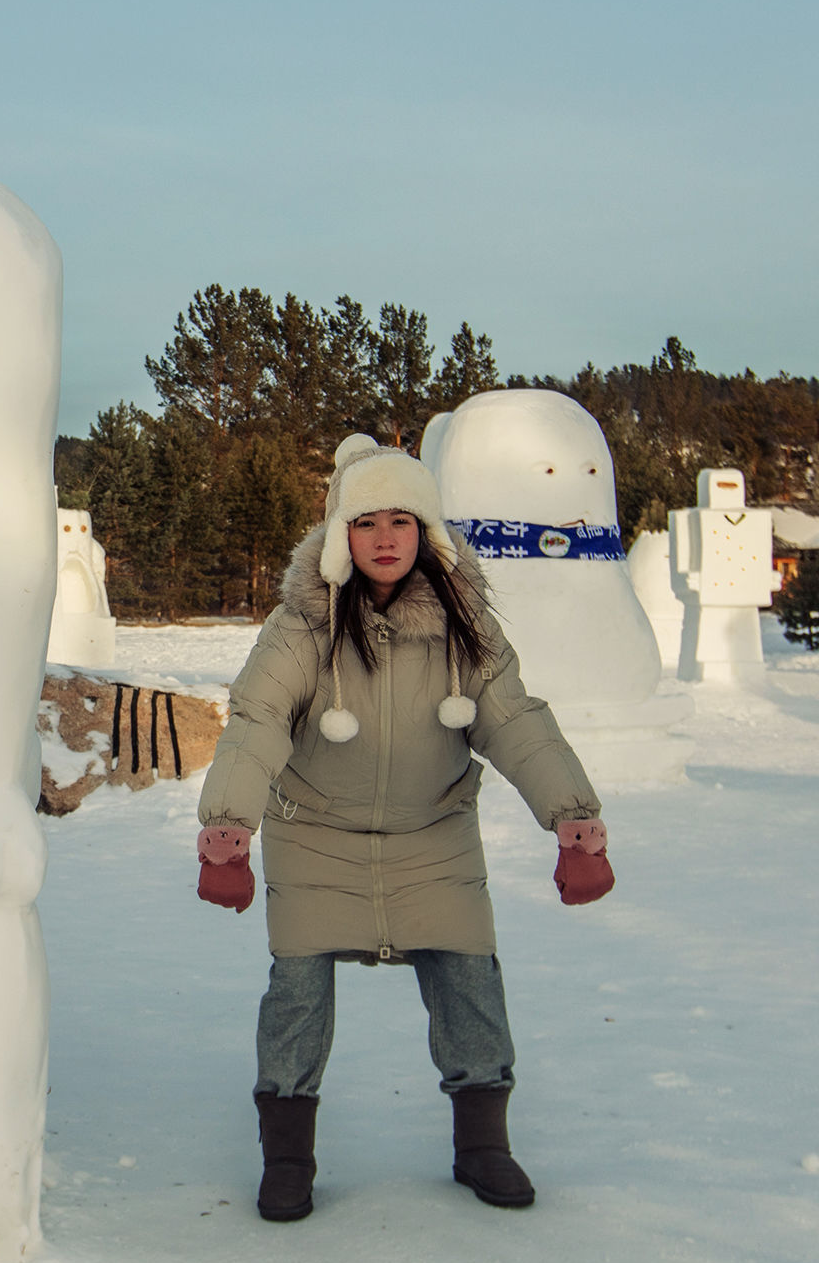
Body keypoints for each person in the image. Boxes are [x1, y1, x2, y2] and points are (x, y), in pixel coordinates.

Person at [196, 437, 611, 1222]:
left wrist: (574, 820)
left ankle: (483, 1145)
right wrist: (227, 828)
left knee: (469, 982)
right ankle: (287, 1158)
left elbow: (515, 721)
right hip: (315, 833)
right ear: (337, 535)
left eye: (401, 519)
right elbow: (255, 723)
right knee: (295, 994)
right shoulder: (301, 627)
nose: (384, 537)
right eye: (365, 522)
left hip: (434, 835)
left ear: (427, 532)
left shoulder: (466, 626)